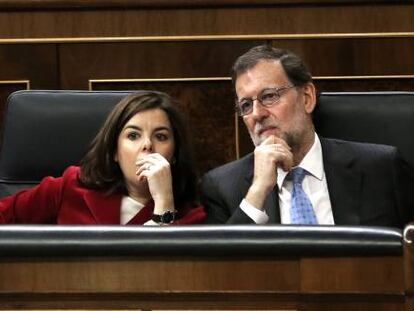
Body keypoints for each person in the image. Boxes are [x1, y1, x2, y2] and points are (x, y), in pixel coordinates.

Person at [201, 44, 414, 227]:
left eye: (269, 96)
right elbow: (224, 271)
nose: (257, 114)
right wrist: (257, 192)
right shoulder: (222, 187)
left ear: (307, 98)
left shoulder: (380, 169)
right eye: (246, 105)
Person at [0, 91, 206, 225]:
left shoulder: (192, 214)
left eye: (160, 136)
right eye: (133, 135)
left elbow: (168, 272)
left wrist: (164, 204)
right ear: (115, 151)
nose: (147, 145)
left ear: (175, 154)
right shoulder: (71, 186)